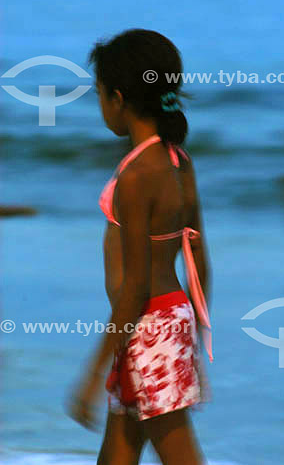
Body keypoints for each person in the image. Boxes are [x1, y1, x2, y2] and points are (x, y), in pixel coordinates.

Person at [67, 28, 213, 465]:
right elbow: (199, 260)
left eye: (98, 95)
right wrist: (191, 336)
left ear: (117, 98)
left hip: (144, 328)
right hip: (166, 323)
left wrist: (92, 376)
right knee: (116, 456)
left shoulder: (136, 175)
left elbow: (132, 290)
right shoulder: (177, 161)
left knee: (180, 455)